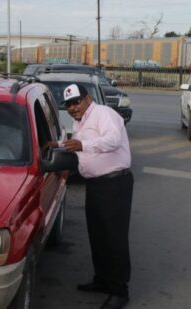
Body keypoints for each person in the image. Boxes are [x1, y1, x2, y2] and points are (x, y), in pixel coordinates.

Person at [53, 84, 133, 309]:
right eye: (68, 105)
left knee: (114, 238)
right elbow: (76, 145)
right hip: (97, 184)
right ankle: (102, 280)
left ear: (87, 99)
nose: (72, 108)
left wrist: (83, 144)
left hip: (115, 182)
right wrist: (58, 144)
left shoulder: (103, 114)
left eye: (76, 102)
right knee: (98, 235)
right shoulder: (81, 122)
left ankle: (119, 291)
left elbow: (112, 140)